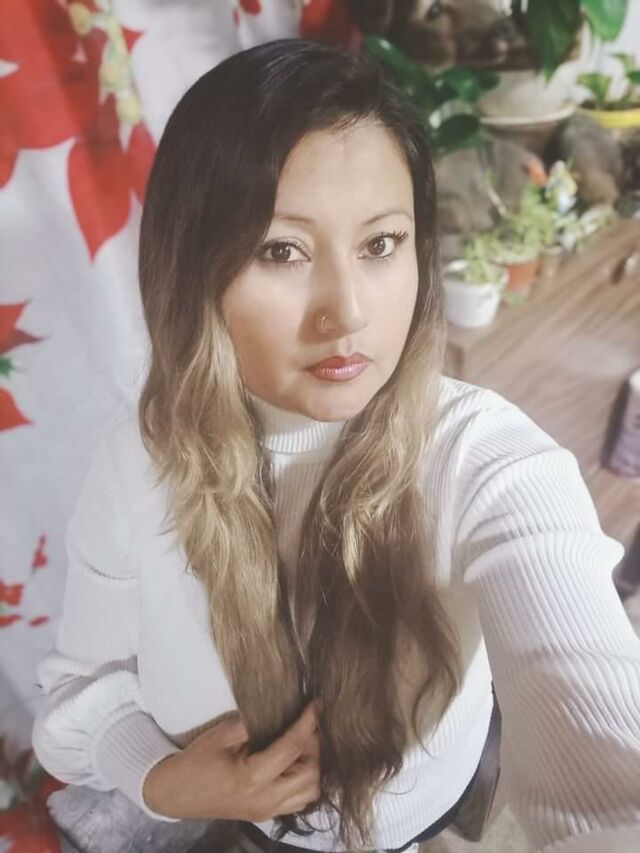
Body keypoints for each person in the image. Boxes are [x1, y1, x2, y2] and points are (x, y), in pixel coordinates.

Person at [32, 37, 640, 853]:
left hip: (438, 807)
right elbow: (78, 700)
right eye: (281, 251)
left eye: (381, 244)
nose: (348, 312)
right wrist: (165, 780)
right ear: (193, 269)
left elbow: (604, 762)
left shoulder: (487, 459)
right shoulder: (138, 466)